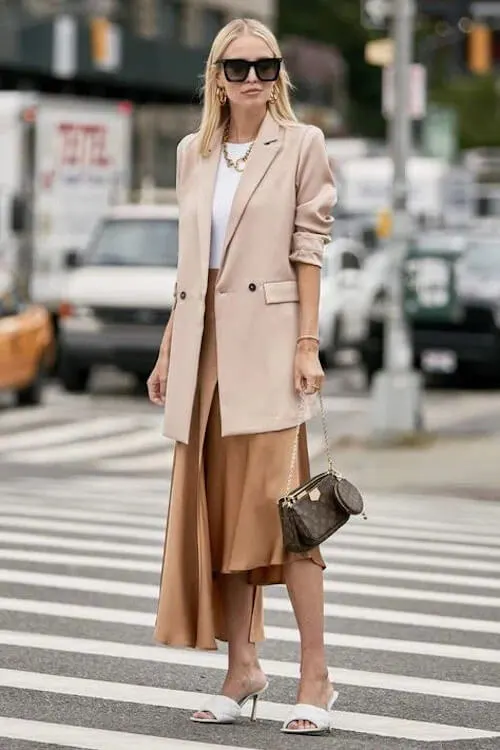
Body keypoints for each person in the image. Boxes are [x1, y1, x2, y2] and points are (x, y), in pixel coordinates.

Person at [147, 17, 337, 736]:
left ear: (279, 73)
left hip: (268, 346)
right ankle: (242, 668)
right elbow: (190, 268)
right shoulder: (191, 153)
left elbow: (308, 248)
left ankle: (316, 675)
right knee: (218, 518)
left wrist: (307, 343)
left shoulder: (302, 144)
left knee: (289, 521)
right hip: (204, 352)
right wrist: (170, 349)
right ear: (216, 78)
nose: (253, 78)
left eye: (266, 66)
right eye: (239, 68)